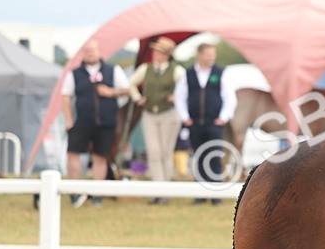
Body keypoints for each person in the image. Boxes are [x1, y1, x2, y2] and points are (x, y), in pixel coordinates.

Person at [61, 38, 129, 207]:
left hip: (106, 122)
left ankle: (96, 193)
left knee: (100, 157)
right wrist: (69, 121)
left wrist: (110, 92)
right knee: (73, 154)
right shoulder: (74, 73)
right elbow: (65, 97)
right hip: (82, 121)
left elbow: (127, 90)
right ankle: (75, 192)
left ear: (99, 51)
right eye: (87, 50)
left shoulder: (113, 70)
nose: (90, 53)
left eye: (93, 50)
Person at [175, 43, 236, 204]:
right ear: (199, 55)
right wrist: (185, 118)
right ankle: (200, 194)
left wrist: (223, 118)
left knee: (214, 156)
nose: (212, 58)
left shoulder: (221, 73)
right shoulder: (187, 74)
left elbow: (229, 98)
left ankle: (216, 194)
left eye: (213, 54)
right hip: (194, 123)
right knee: (199, 157)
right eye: (209, 54)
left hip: (214, 123)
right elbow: (180, 98)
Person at [128, 36, 185, 203]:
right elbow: (130, 83)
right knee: (154, 152)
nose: (155, 54)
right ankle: (157, 190)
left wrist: (177, 97)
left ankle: (165, 191)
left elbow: (186, 88)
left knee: (166, 153)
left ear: (167, 55)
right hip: (149, 114)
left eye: (159, 52)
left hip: (169, 114)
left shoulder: (176, 71)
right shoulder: (146, 69)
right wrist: (138, 98)